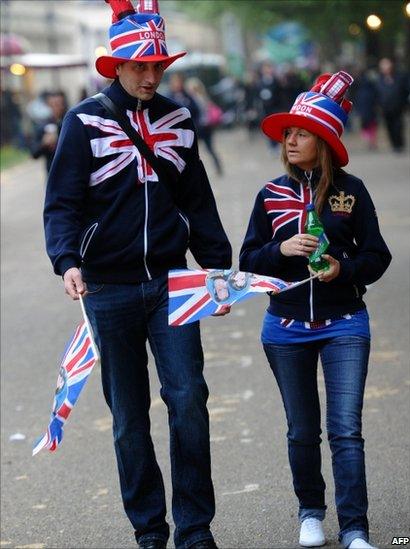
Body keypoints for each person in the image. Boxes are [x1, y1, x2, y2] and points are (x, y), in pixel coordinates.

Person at [43, 1, 232, 548]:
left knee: (189, 400)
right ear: (117, 64)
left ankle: (195, 531)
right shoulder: (82, 121)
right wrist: (66, 259)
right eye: (141, 66)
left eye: (159, 67)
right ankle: (149, 531)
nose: (151, 77)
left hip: (173, 286)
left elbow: (198, 199)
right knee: (128, 418)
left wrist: (216, 268)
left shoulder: (178, 118)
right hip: (107, 289)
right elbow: (62, 204)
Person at [239, 71, 391, 549]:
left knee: (345, 431)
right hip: (285, 328)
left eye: (301, 133)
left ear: (323, 140)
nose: (290, 140)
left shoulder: (351, 192)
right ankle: (310, 512)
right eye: (288, 133)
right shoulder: (269, 194)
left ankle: (355, 529)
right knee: (302, 431)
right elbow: (247, 262)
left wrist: (342, 270)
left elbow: (377, 256)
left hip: (345, 323)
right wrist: (280, 251)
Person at [185, 77, 224, 176]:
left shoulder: (195, 99)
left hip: (202, 127)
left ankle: (216, 167)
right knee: (206, 149)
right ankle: (217, 167)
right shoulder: (203, 97)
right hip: (204, 127)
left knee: (201, 150)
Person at [375, 57, 410, 153]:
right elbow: (377, 94)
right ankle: (394, 144)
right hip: (385, 108)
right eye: (383, 65)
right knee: (389, 126)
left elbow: (405, 90)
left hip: (398, 107)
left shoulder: (399, 77)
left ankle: (399, 144)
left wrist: (405, 103)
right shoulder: (379, 79)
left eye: (386, 64)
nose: (385, 67)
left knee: (398, 126)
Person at [30, 90, 68, 174]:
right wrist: (44, 143)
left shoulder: (70, 122)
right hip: (52, 173)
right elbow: (34, 153)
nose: (57, 107)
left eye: (59, 104)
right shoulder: (43, 126)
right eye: (53, 104)